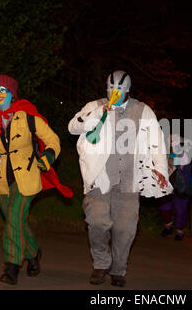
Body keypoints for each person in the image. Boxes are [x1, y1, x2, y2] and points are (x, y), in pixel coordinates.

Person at [68, 70, 173, 287]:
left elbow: (157, 142)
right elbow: (73, 127)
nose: (114, 93)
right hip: (99, 179)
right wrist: (99, 112)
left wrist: (161, 169)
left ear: (127, 90)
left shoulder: (143, 110)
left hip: (129, 181)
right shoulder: (94, 106)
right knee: (97, 221)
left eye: (118, 90)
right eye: (110, 89)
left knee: (125, 230)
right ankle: (100, 264)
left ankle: (118, 269)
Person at [0, 74, 72, 285]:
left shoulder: (27, 115)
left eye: (3, 91)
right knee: (15, 221)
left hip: (26, 175)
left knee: (14, 218)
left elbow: (53, 140)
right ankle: (33, 253)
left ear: (12, 94)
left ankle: (12, 266)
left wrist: (49, 155)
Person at [159, 134, 192, 241]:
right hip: (166, 185)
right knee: (164, 207)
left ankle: (179, 231)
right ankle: (168, 226)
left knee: (180, 209)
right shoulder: (165, 154)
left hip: (181, 187)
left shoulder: (184, 155)